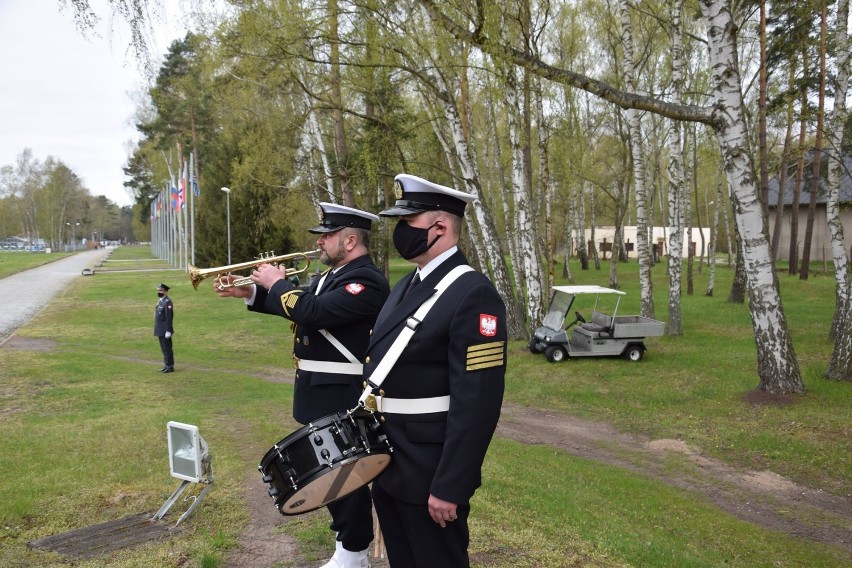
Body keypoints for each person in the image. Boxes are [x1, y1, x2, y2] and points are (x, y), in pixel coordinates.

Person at [215, 203, 390, 568]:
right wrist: (249, 294)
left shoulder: (366, 280)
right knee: (331, 473)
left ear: (352, 240)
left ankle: (353, 553)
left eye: (327, 236)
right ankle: (347, 547)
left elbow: (313, 312)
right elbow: (303, 306)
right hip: (318, 387)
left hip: (342, 390)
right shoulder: (334, 275)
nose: (320, 242)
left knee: (346, 476)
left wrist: (276, 283)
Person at [362, 174, 507, 567]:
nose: (398, 232)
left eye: (406, 223)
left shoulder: (472, 293)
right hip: (390, 462)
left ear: (439, 227)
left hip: (430, 474)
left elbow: (477, 402)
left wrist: (451, 485)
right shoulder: (408, 283)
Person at [154, 283, 175, 373]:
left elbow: (169, 317)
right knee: (163, 348)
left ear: (166, 292)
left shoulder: (167, 302)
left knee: (167, 348)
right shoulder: (161, 301)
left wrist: (168, 330)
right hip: (160, 329)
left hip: (164, 330)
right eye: (158, 290)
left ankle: (170, 366)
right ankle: (166, 365)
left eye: (161, 290)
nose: (159, 292)